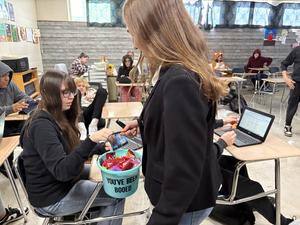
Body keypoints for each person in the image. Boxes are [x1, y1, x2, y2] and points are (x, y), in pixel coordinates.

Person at [122, 0, 228, 224]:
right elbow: (176, 126)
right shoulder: (174, 72)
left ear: (152, 31)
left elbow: (183, 171)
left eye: (134, 33)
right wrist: (143, 124)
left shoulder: (180, 81)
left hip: (183, 205)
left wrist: (160, 219)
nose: (134, 43)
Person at [20, 70, 124, 224]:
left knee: (112, 179)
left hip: (59, 183)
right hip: (51, 197)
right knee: (116, 193)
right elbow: (63, 171)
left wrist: (98, 147)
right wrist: (91, 140)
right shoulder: (41, 125)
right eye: (64, 93)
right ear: (49, 94)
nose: (71, 97)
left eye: (72, 92)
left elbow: (69, 150)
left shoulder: (55, 115)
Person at [212, 117, 299, 225]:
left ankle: (249, 201)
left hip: (202, 163)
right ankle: (283, 223)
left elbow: (201, 122)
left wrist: (221, 122)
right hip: (200, 172)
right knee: (254, 187)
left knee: (235, 163)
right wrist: (222, 143)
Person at [0, 61, 33, 178]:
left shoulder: (10, 84)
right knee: (7, 135)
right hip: (1, 124)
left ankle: (27, 161)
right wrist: (11, 108)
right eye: (3, 76)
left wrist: (27, 102)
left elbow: (23, 96)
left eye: (8, 75)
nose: (7, 79)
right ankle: (5, 165)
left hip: (9, 120)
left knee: (29, 127)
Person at [281, 42, 300, 137]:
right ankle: (287, 125)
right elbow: (284, 64)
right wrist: (285, 77)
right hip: (296, 84)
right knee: (292, 106)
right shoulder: (297, 50)